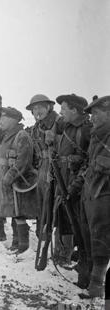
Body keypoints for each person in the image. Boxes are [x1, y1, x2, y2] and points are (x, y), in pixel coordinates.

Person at [53, 94, 91, 286]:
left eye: (64, 108)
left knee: (81, 226)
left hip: (80, 186)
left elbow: (89, 162)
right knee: (66, 219)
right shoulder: (66, 126)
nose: (61, 112)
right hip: (64, 180)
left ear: (75, 110)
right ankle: (67, 256)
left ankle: (85, 273)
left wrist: (75, 186)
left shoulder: (86, 130)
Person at [77, 95, 110, 298]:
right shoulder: (98, 134)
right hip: (92, 193)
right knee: (92, 236)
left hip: (105, 194)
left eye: (96, 113)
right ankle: (93, 285)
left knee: (102, 239)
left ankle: (97, 287)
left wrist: (97, 163)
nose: (93, 118)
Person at [0, 107, 37, 251]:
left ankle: (23, 245)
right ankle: (16, 243)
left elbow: (23, 161)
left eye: (3, 118)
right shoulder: (6, 136)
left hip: (15, 181)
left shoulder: (21, 135)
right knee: (13, 212)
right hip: (4, 180)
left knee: (19, 213)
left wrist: (9, 177)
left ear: (13, 119)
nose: (0, 121)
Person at [26, 94, 59, 249]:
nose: (37, 111)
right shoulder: (35, 129)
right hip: (41, 169)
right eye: (34, 108)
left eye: (40, 107)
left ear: (49, 107)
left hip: (58, 170)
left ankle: (61, 249)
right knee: (42, 205)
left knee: (58, 208)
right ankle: (43, 239)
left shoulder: (59, 123)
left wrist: (55, 142)